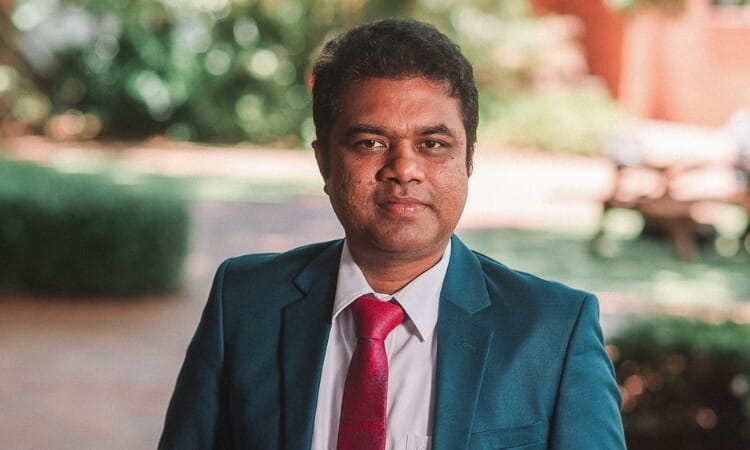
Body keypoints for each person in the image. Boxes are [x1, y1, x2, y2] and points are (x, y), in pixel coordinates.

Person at [159, 18, 626, 450]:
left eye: (433, 144)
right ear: (324, 161)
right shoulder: (243, 303)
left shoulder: (554, 331)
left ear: (468, 159)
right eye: (371, 143)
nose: (404, 168)